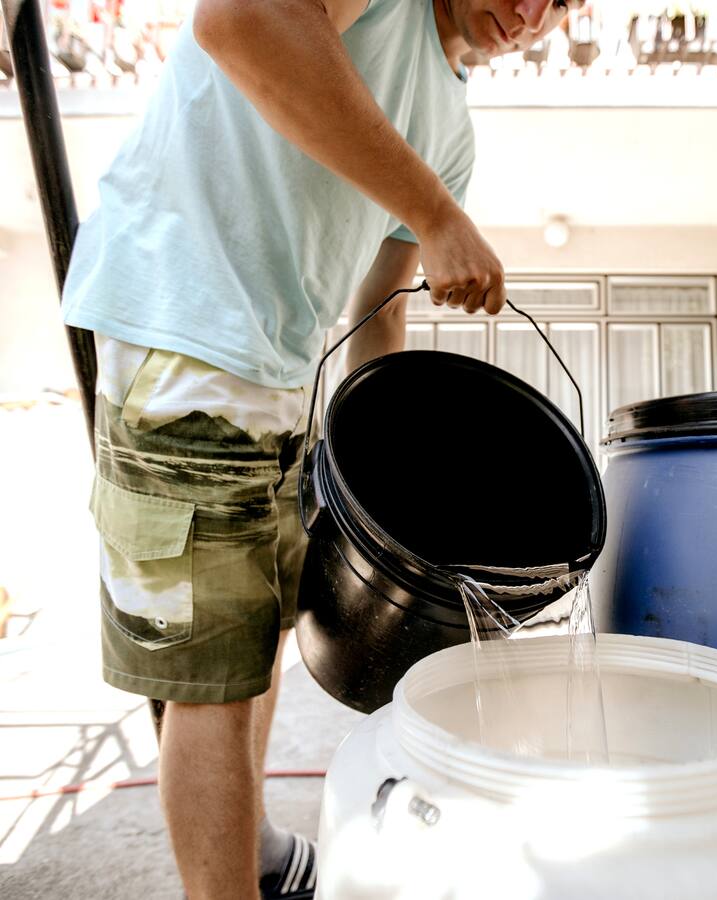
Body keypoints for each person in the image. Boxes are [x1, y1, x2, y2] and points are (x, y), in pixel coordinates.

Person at [61, 0, 578, 896]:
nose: (533, 14)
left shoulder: (451, 134)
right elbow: (238, 20)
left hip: (282, 377)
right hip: (187, 337)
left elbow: (379, 310)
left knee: (257, 640)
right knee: (212, 681)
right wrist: (435, 212)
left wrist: (380, 474)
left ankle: (253, 851)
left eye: (564, 2)